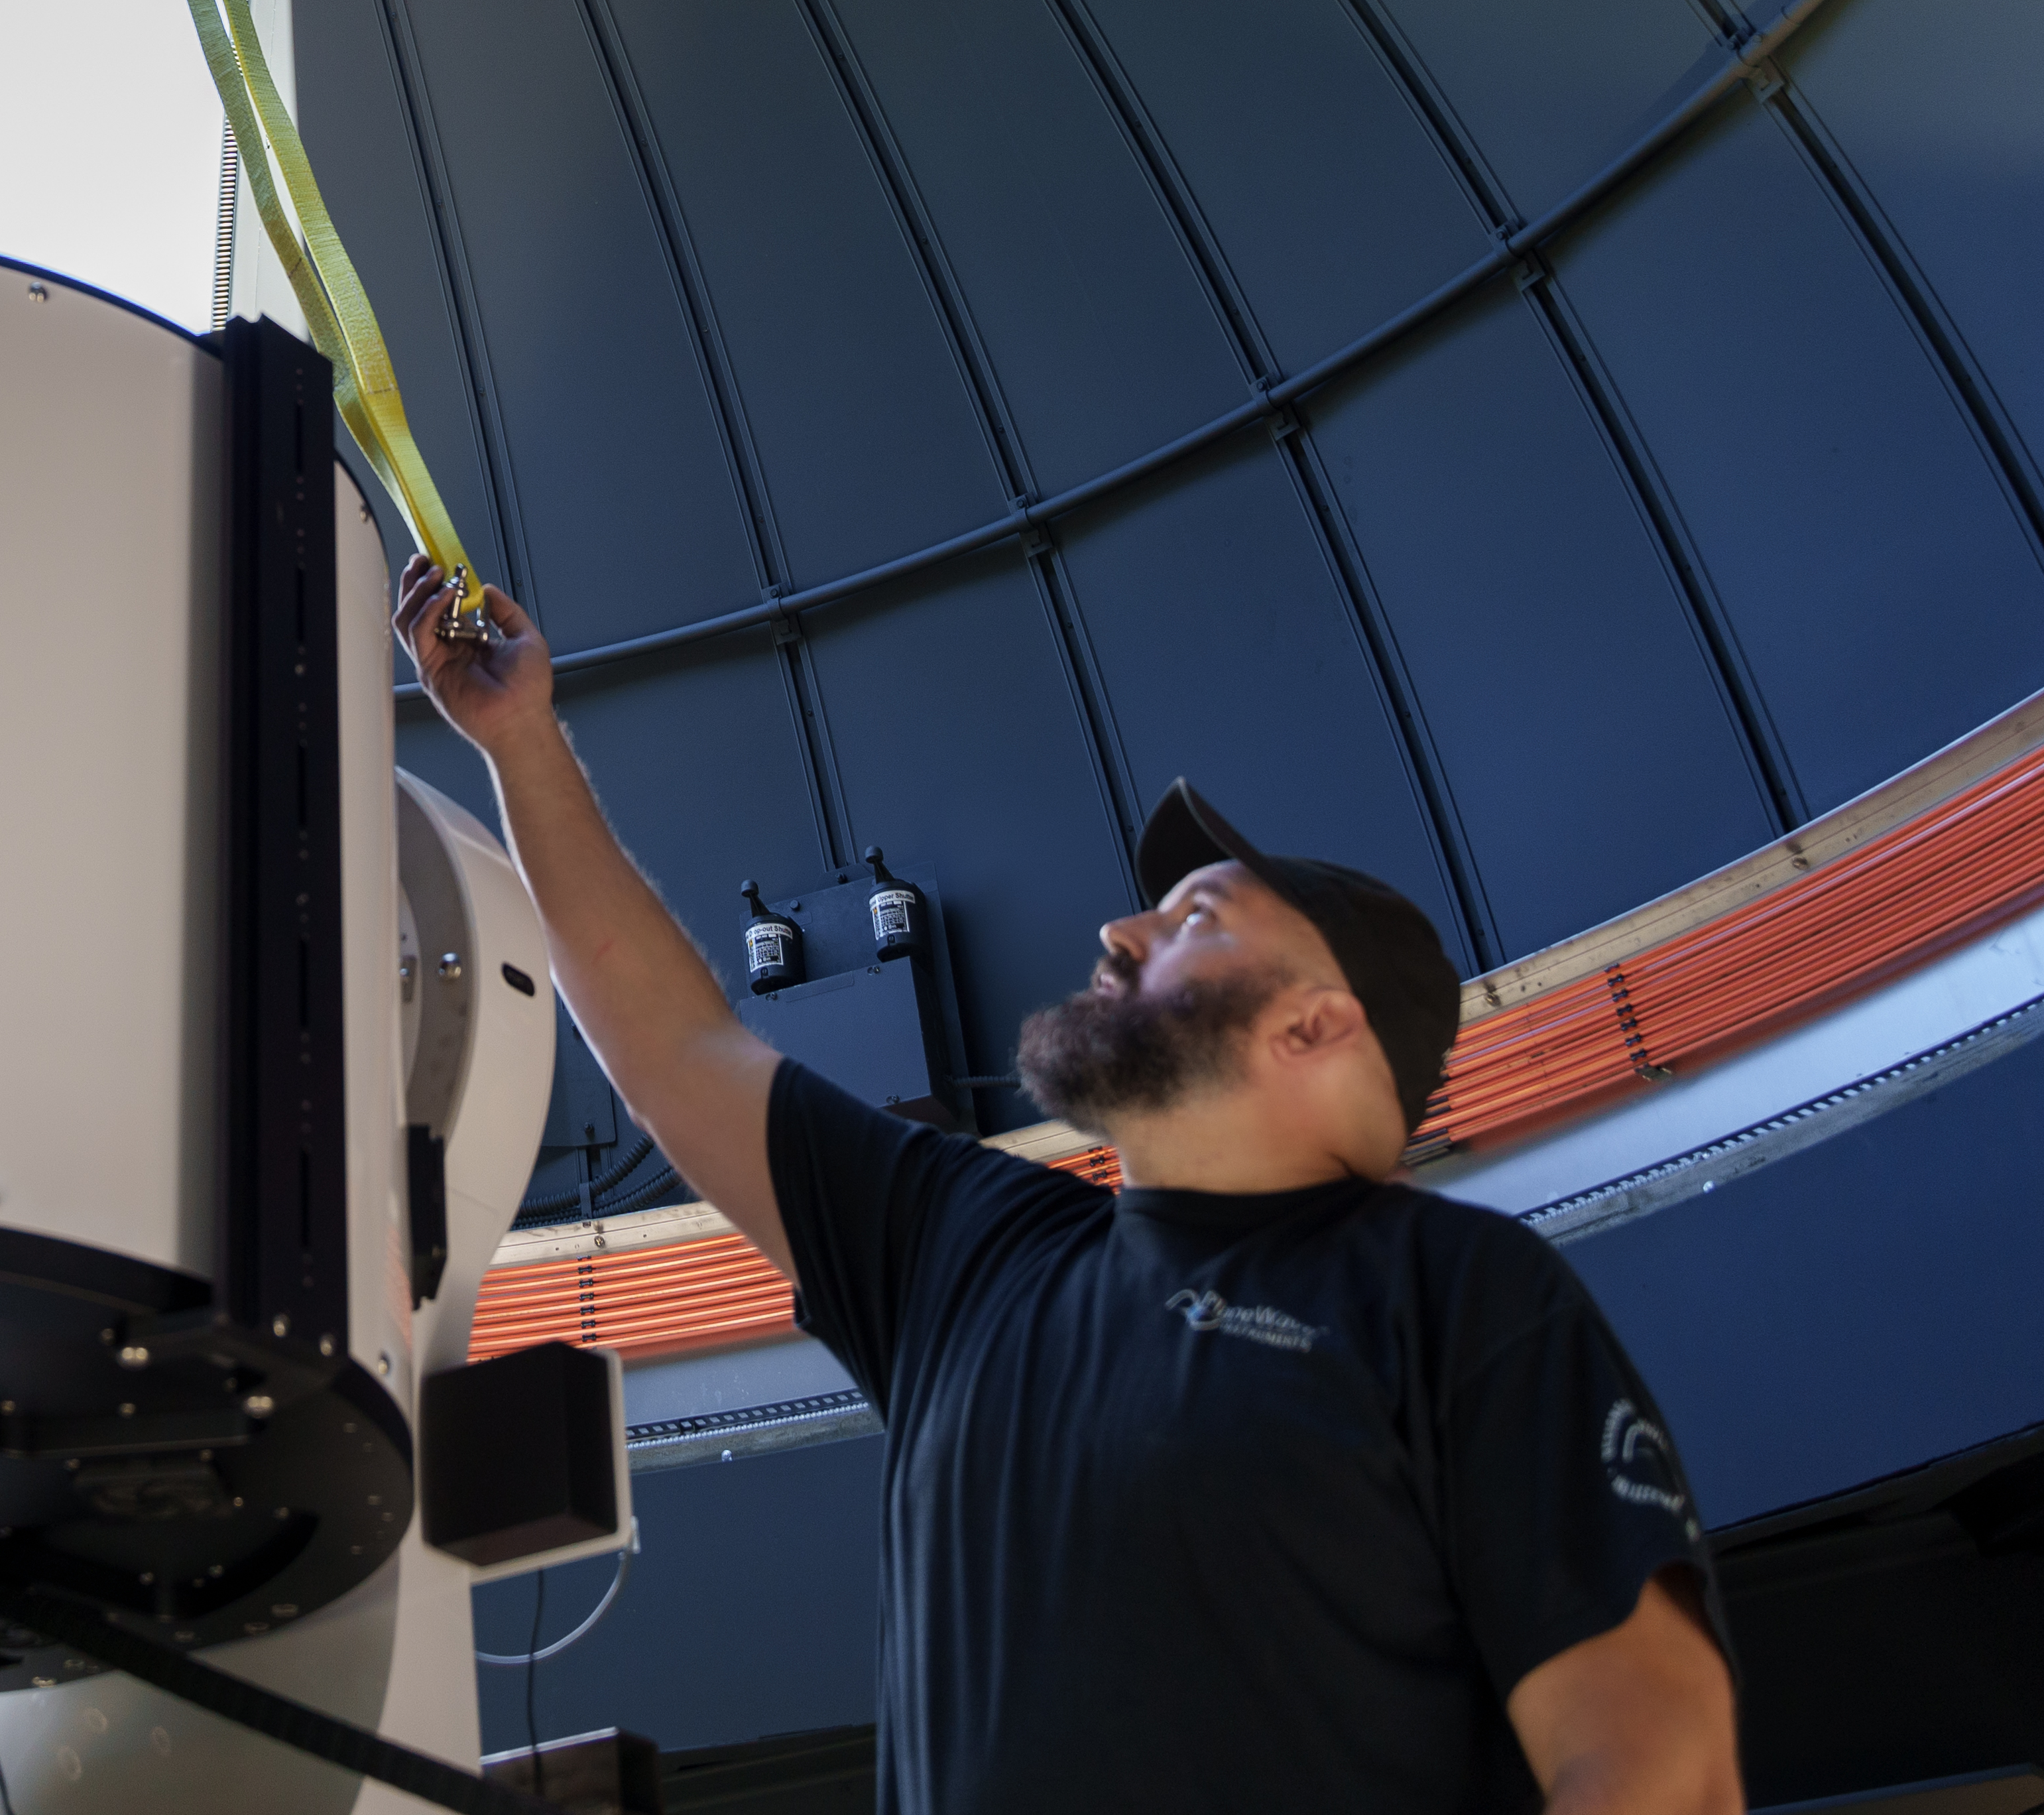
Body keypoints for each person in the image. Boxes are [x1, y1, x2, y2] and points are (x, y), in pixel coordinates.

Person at [397, 557, 1742, 1815]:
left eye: (1197, 918)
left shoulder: (1459, 1294)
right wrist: (522, 740)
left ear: (1317, 1027)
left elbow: (1657, 1752)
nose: (1119, 926)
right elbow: (681, 1048)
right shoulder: (965, 1245)